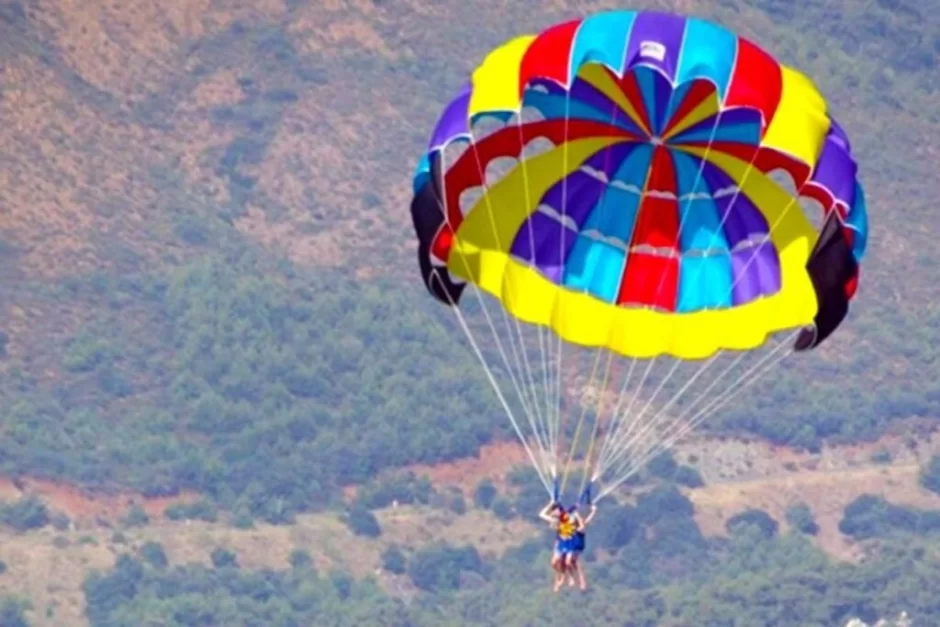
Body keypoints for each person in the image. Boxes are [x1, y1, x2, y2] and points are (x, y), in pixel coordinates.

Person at [540, 499, 595, 592]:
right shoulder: (557, 520)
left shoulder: (570, 521)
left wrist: (590, 512)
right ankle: (561, 578)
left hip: (573, 543)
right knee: (555, 562)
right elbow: (542, 514)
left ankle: (575, 579)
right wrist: (550, 504)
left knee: (570, 562)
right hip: (561, 542)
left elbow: (583, 523)